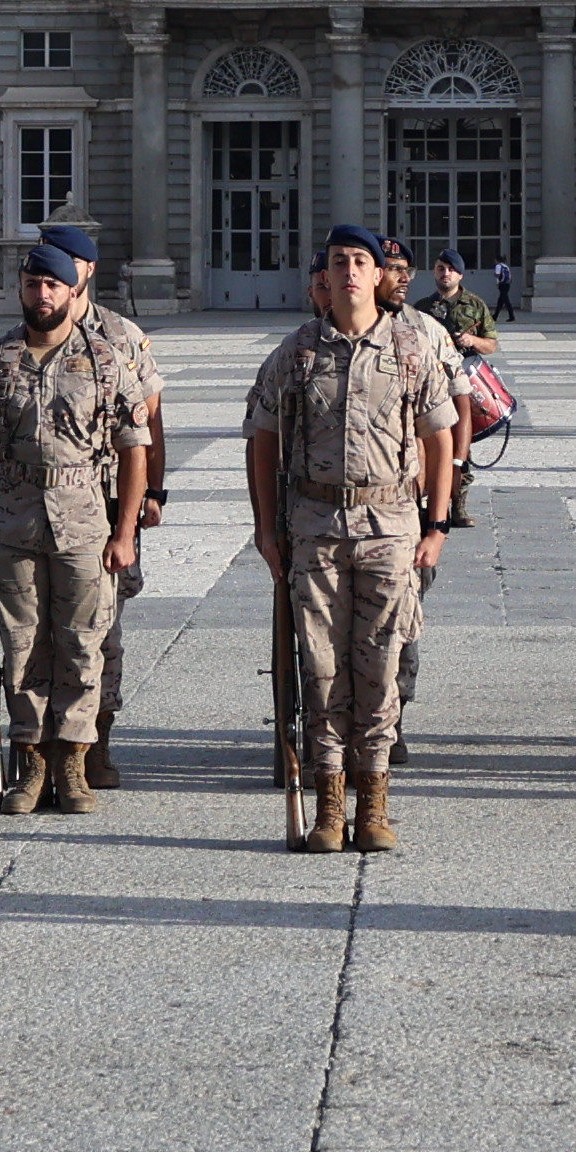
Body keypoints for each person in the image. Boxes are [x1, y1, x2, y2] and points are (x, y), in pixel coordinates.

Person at [245, 225, 459, 854]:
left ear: (378, 274)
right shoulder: (296, 352)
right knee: (320, 666)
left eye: (360, 262)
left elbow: (440, 436)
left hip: (391, 524)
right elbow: (262, 441)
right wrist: (265, 528)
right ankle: (329, 801)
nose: (348, 272)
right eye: (338, 262)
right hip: (314, 527)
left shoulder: (410, 347)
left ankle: (375, 803)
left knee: (382, 661)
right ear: (327, 275)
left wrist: (437, 523)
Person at [0, 244, 156, 815]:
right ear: (21, 289)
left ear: (72, 291)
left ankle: (75, 764)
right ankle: (31, 762)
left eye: (52, 285)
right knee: (22, 645)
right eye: (33, 284)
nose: (42, 294)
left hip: (86, 522)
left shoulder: (107, 361)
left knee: (84, 644)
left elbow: (136, 448)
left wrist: (125, 530)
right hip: (11, 524)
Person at [32, 223, 167, 787]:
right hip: (41, 507)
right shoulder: (31, 332)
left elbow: (151, 420)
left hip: (109, 502)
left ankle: (95, 742)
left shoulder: (122, 336)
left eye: (61, 261)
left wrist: (152, 496)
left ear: (85, 270)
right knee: (40, 630)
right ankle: (39, 747)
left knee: (100, 628)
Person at [373, 234, 466, 758]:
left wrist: (447, 487)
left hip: (408, 500)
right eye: (391, 267)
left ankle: (394, 716)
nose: (402, 276)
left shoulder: (427, 331)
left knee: (403, 618)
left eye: (406, 267)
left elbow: (459, 401)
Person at [409, 251, 500, 530]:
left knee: (463, 446)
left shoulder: (475, 305)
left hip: (462, 382)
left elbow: (492, 344)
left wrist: (472, 339)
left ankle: (458, 505)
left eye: (450, 269)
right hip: (432, 384)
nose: (444, 273)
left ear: (460, 275)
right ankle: (428, 502)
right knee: (427, 443)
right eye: (440, 268)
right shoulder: (422, 307)